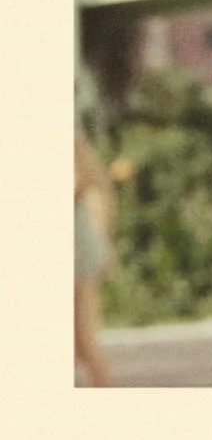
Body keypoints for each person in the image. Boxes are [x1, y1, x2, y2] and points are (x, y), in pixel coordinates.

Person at [75, 128, 116, 387]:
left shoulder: (82, 173)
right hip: (82, 258)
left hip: (80, 261)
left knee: (85, 342)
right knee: (80, 344)